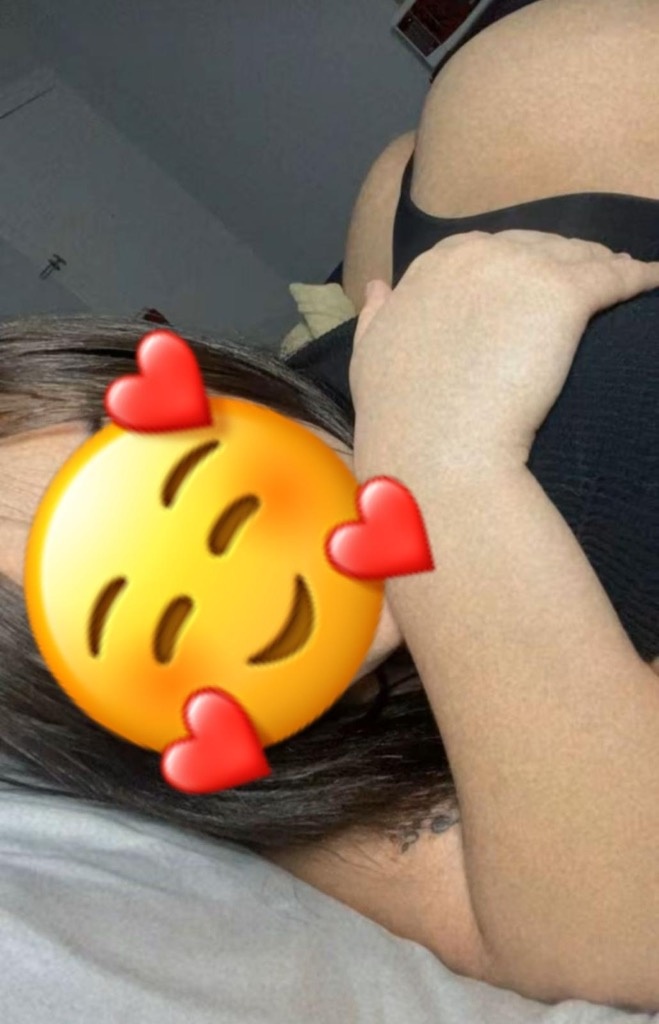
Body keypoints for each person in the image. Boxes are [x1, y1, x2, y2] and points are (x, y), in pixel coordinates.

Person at [1, 0, 658, 1012]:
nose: (246, 556)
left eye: (177, 469)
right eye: (149, 608)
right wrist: (443, 463)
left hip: (478, 220)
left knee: (400, 176)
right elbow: (618, 929)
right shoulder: (301, 792)